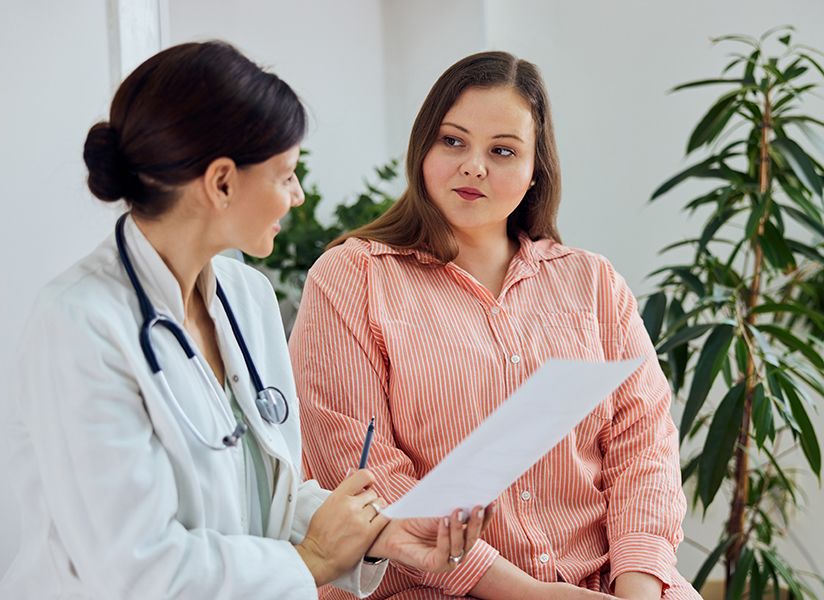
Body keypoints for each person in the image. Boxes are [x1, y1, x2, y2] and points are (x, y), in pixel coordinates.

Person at [0, 41, 492, 600]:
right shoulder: (79, 325)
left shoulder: (245, 298)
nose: (298, 196)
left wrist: (381, 533)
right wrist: (310, 561)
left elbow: (259, 495)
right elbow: (135, 568)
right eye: (285, 175)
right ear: (222, 182)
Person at [289, 51, 701, 600]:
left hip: (607, 583)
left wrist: (639, 588)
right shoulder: (352, 278)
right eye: (453, 141)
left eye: (502, 150)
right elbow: (364, 473)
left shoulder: (594, 283)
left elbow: (643, 447)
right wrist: (531, 593)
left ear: (535, 171)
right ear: (422, 148)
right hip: (429, 588)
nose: (473, 166)